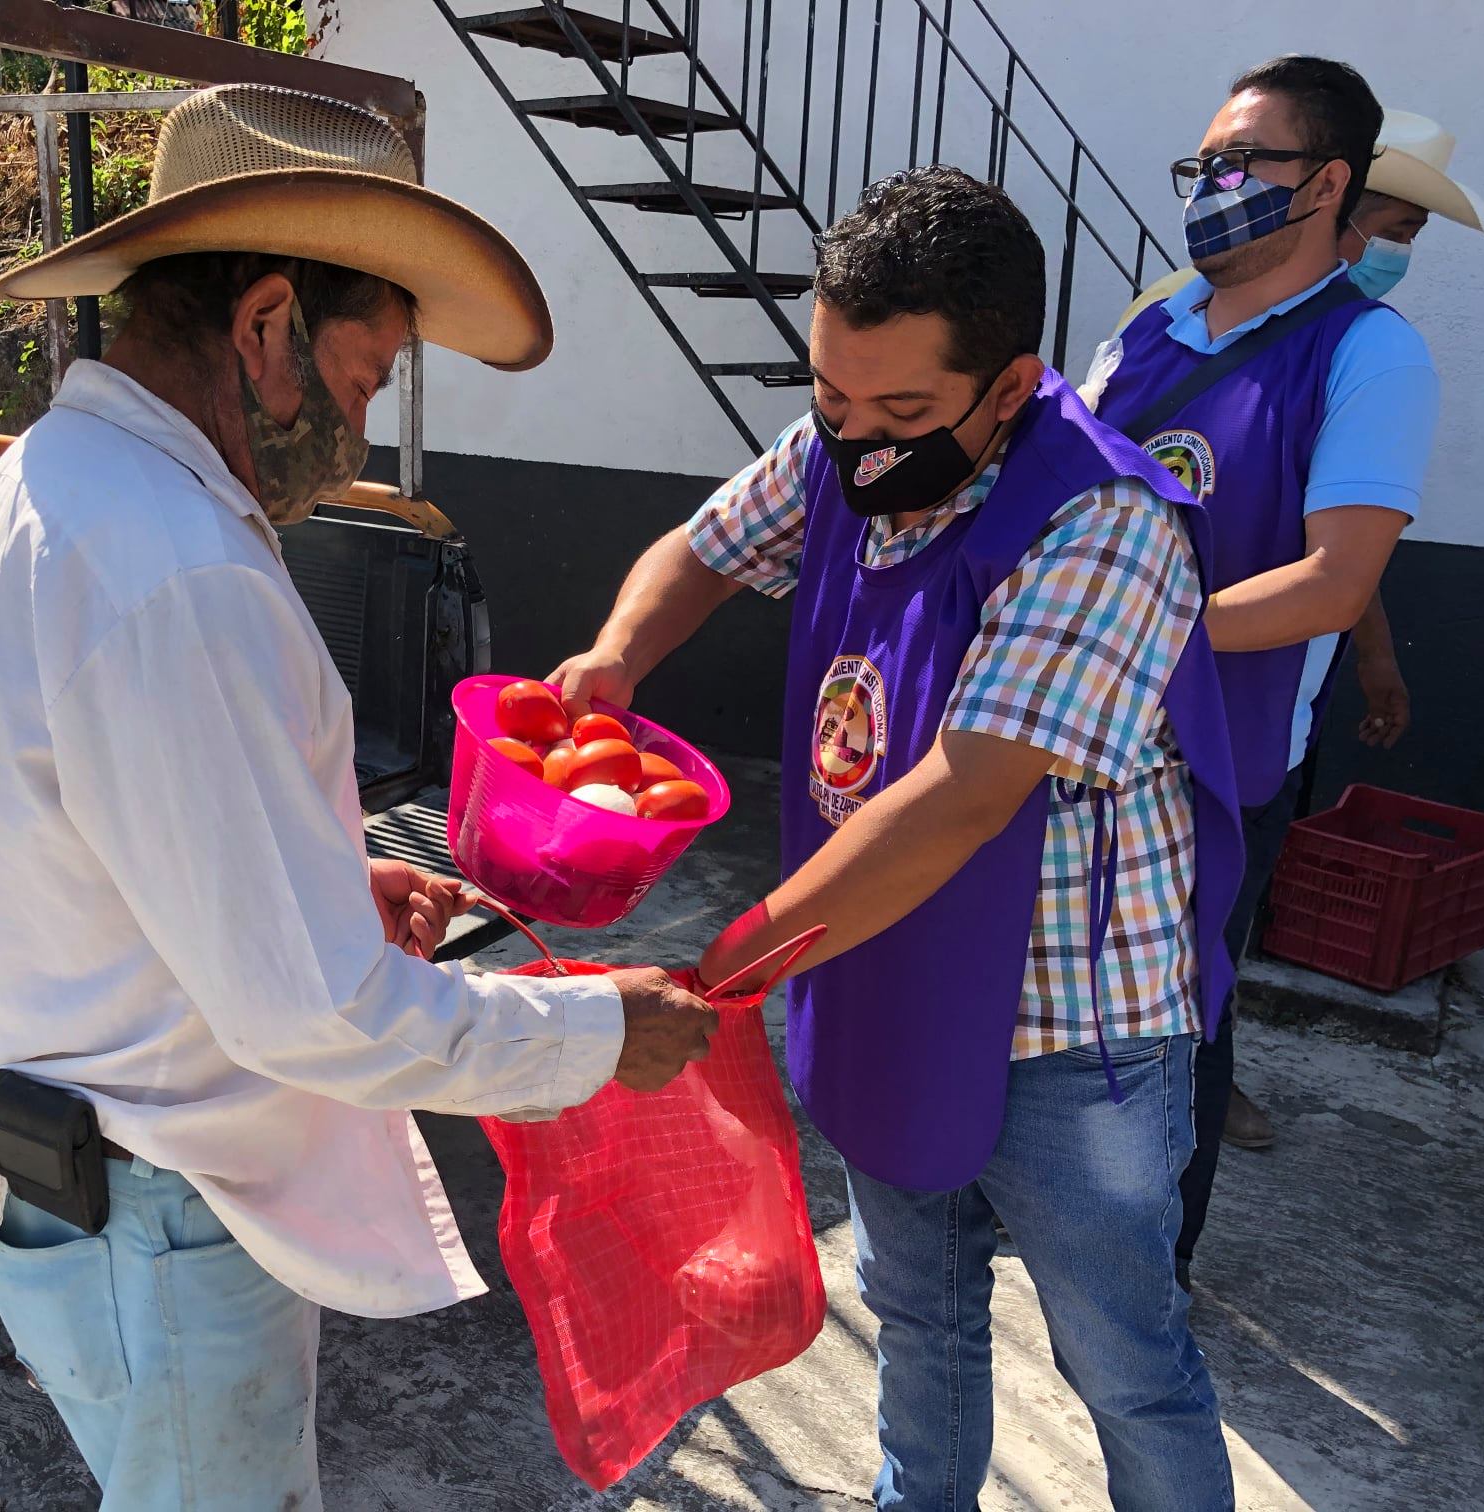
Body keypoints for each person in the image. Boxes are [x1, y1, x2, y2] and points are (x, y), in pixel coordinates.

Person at [0, 85, 719, 1509]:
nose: (360, 427)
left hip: (102, 1182)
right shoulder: (181, 567)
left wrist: (311, 875)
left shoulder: (66, 477)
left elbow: (107, 827)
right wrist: (599, 1031)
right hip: (164, 1208)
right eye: (364, 377)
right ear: (267, 326)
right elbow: (311, 1014)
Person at [554, 165, 1244, 1511]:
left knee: (1126, 1362)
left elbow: (967, 791)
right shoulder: (840, 446)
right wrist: (615, 659)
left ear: (1010, 383)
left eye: (905, 411)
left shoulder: (1104, 520)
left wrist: (744, 950)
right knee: (918, 1322)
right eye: (832, 397)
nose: (858, 438)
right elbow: (700, 547)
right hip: (879, 971)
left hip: (1068, 1027)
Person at [1084, 58, 1441, 1289]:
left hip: (1214, 765)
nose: (1211, 187)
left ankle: (1143, 1275)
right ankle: (1051, 1211)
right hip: (1073, 742)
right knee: (1054, 1005)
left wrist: (1122, 638)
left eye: (1243, 165)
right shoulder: (1147, 327)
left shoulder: (1371, 356)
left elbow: (1335, 586)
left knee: (1176, 1023)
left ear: (1327, 181)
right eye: (1203, 166)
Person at [1115, 106, 1484, 768]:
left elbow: (1336, 557)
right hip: (1107, 722)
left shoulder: (1366, 349)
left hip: (1214, 741)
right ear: (1334, 205)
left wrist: (1122, 641)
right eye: (1397, 232)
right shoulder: (1164, 319)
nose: (1399, 255)